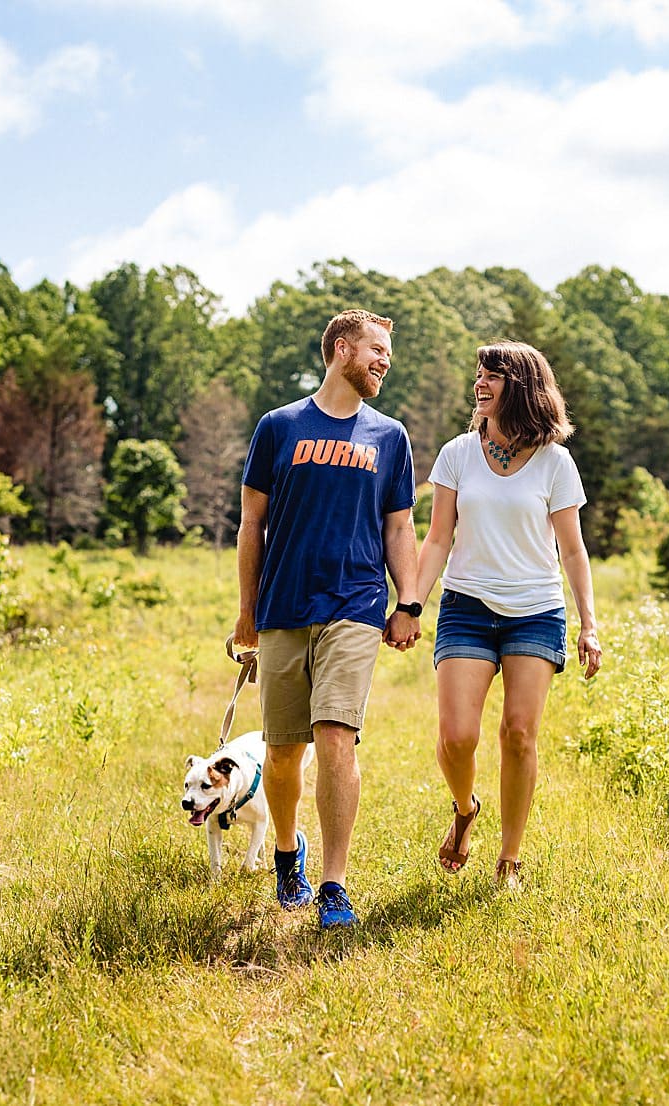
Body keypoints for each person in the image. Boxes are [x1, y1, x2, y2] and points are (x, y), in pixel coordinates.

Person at [231, 308, 423, 929]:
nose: (384, 361)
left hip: (356, 605)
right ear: (342, 350)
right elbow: (251, 525)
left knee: (337, 739)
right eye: (376, 350)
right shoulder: (278, 427)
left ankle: (334, 885)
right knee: (285, 754)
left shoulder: (389, 436)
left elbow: (400, 526)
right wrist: (246, 615)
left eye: (387, 353)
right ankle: (289, 852)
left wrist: (408, 601)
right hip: (285, 606)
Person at [413, 341, 602, 891]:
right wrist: (410, 605)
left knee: (519, 733)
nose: (480, 383)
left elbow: (573, 549)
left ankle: (509, 860)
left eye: (492, 375)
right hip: (467, 607)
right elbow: (438, 538)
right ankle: (465, 808)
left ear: (520, 385)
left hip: (536, 612)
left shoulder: (554, 461)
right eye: (478, 373)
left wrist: (589, 623)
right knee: (457, 737)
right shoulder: (457, 454)